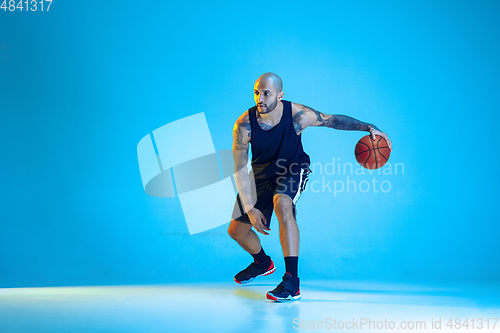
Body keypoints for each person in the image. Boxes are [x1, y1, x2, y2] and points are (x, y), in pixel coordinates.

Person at [228, 72, 392, 302]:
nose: (260, 98)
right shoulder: (244, 124)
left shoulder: (297, 115)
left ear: (280, 94)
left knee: (282, 203)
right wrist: (249, 206)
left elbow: (331, 120)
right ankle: (263, 263)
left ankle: (291, 282)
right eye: (256, 93)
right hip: (260, 176)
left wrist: (368, 127)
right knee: (236, 231)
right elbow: (239, 168)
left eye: (266, 93)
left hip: (292, 167)